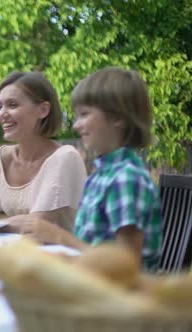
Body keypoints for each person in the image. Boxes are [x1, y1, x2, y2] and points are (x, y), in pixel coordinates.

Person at [19, 67, 162, 271]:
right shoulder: (101, 176)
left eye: (84, 114)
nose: (76, 125)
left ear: (117, 117)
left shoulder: (126, 178)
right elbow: (92, 247)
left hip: (118, 297)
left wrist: (59, 236)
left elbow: (127, 265)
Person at [0, 71, 87, 232]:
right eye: (0, 106)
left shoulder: (65, 158)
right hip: (12, 253)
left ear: (43, 110)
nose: (2, 114)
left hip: (60, 255)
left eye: (13, 105)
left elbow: (35, 227)